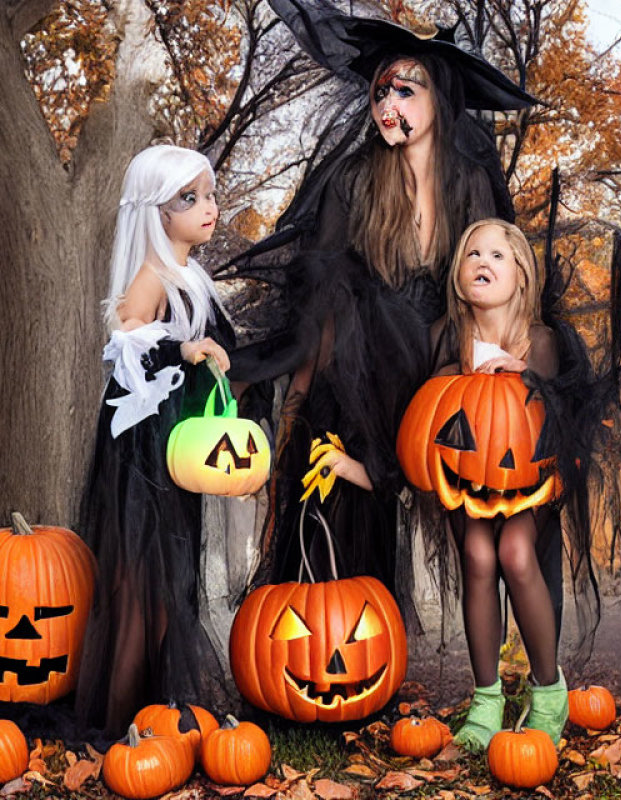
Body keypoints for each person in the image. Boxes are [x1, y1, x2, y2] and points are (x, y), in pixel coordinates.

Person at [226, 2, 535, 602]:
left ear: (437, 99)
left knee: (487, 512)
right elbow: (321, 287)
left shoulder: (469, 180)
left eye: (405, 90)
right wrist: (295, 388)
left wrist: (502, 358)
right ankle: (326, 654)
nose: (388, 105)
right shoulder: (356, 179)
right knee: (336, 492)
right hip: (359, 367)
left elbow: (496, 272)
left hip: (441, 362)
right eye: (378, 94)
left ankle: (515, 674)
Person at [75, 145, 235, 738]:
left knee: (174, 582)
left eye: (209, 195)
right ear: (156, 214)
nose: (207, 208)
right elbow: (126, 343)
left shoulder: (194, 276)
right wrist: (183, 348)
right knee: (141, 585)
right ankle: (121, 728)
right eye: (189, 200)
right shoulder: (151, 276)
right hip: (143, 454)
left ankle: (161, 710)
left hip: (177, 449)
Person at [428, 218, 567, 750]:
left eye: (497, 255)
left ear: (522, 276)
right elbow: (431, 411)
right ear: (460, 275)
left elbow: (553, 415)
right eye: (473, 254)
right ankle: (487, 698)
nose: (483, 262)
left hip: (530, 476)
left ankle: (550, 689)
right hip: (471, 479)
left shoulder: (539, 340)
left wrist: (523, 377)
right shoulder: (450, 337)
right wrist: (455, 380)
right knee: (478, 556)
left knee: (513, 551)